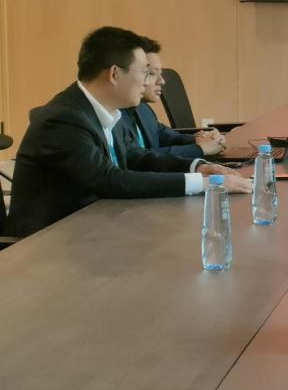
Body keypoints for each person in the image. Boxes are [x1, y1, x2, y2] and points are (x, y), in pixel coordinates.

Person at [7, 26, 251, 239]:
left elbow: (136, 157)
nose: (147, 82)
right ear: (114, 74)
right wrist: (205, 184)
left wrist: (198, 167)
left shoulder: (105, 110)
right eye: (145, 72)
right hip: (48, 244)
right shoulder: (64, 119)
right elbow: (109, 180)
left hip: (94, 227)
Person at [117, 36, 225, 159]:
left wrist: (199, 139)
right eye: (151, 73)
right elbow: (136, 158)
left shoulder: (143, 109)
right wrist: (200, 149)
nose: (162, 81)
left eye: (160, 73)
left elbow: (165, 136)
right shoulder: (114, 115)